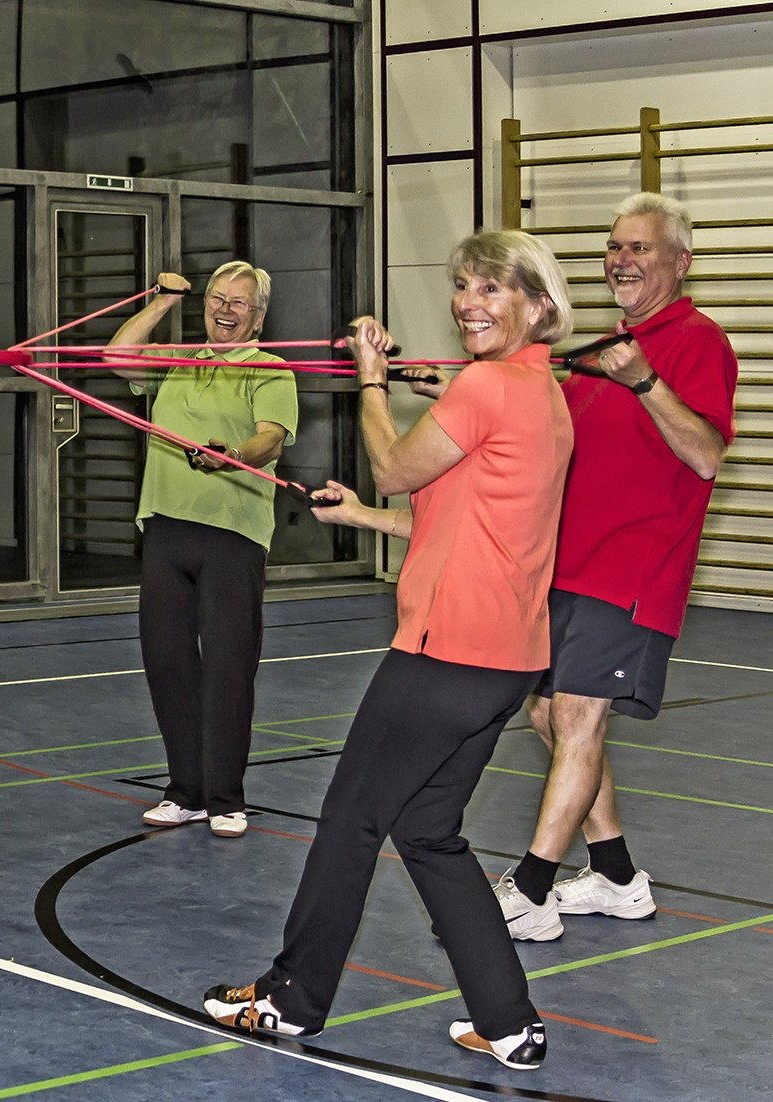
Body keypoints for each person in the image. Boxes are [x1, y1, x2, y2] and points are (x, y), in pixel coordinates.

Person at [203, 229, 575, 1072]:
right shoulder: (541, 396)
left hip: (448, 652)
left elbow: (394, 468)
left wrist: (372, 378)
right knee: (429, 829)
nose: (469, 303)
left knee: (349, 818)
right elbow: (448, 518)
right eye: (463, 286)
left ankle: (291, 999)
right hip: (505, 657)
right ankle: (510, 1021)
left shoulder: (486, 386)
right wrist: (359, 519)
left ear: (539, 307)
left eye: (492, 290)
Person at [492, 193, 738, 941]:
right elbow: (544, 426)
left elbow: (704, 454)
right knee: (547, 713)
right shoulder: (600, 350)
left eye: (640, 248)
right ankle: (617, 875)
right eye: (615, 247)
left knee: (574, 714)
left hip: (632, 572)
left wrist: (642, 380)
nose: (621, 260)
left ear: (680, 263)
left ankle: (531, 889)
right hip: (568, 566)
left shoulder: (698, 343)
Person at [104, 263, 297, 839]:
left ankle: (226, 797)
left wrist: (232, 453)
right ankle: (184, 790)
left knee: (229, 668)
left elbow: (269, 437)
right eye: (217, 299)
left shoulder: (271, 368)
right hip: (166, 528)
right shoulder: (179, 359)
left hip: (232, 534)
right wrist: (163, 302)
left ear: (258, 316)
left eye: (240, 303)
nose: (226, 310)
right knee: (168, 664)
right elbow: (116, 358)